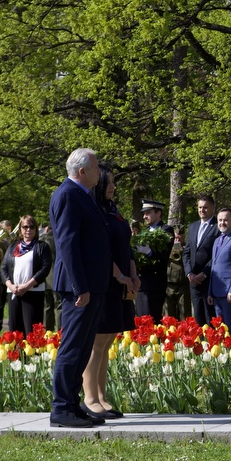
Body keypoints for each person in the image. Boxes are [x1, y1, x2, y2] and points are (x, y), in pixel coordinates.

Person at [48, 148, 111, 428]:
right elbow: (67, 244)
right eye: (96, 168)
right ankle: (61, 407)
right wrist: (79, 286)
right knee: (72, 348)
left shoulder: (82, 196)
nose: (100, 172)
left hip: (91, 285)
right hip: (79, 288)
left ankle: (73, 405)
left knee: (83, 347)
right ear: (82, 171)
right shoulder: (67, 195)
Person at [82, 164, 138, 421]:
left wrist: (133, 276)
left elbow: (125, 247)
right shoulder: (97, 212)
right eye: (110, 182)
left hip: (121, 284)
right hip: (106, 281)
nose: (114, 187)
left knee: (107, 342)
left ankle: (102, 397)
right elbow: (102, 251)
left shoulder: (112, 210)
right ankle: (90, 398)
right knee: (97, 342)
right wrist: (120, 276)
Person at [1, 215, 52, 335]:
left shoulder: (42, 247)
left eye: (31, 227)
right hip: (14, 292)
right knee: (15, 331)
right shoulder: (13, 247)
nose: (28, 230)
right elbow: (3, 268)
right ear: (20, 229)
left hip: (33, 292)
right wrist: (11, 286)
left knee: (31, 331)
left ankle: (32, 354)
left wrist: (27, 286)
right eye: (25, 227)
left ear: (35, 229)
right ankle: (16, 354)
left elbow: (45, 269)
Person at [135, 198, 174, 322]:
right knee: (140, 320)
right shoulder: (144, 232)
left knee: (151, 320)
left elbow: (163, 254)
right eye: (144, 213)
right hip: (141, 281)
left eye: (148, 213)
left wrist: (149, 251)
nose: (145, 216)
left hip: (154, 283)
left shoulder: (166, 230)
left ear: (158, 213)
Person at [183, 195, 219, 325]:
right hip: (193, 280)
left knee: (210, 317)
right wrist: (189, 273)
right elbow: (187, 252)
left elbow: (217, 254)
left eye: (205, 207)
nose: (201, 210)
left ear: (212, 208)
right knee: (198, 316)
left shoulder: (217, 226)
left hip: (210, 279)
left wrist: (204, 273)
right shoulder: (193, 226)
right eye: (199, 207)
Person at [207, 207, 231, 327]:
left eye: (225, 220)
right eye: (220, 220)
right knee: (220, 329)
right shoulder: (216, 241)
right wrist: (210, 291)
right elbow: (213, 269)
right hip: (216, 292)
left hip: (228, 293)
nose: (222, 223)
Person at [165, 225, 191, 320]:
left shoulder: (188, 247)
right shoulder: (167, 247)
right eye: (176, 237)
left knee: (184, 313)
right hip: (169, 284)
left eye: (180, 238)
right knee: (168, 315)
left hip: (183, 285)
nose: (177, 240)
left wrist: (182, 250)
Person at [39, 222, 60, 331]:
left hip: (45, 277)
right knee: (59, 306)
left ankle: (47, 332)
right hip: (58, 276)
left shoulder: (42, 240)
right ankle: (60, 331)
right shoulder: (59, 238)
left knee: (47, 306)